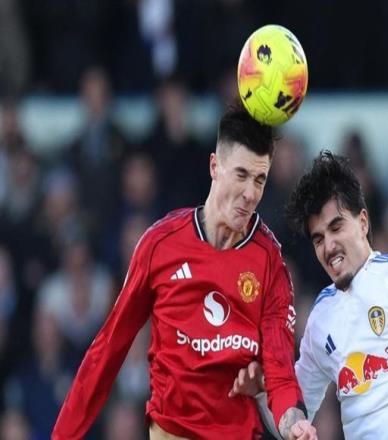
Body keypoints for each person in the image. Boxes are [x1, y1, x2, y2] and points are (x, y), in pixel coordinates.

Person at [52, 105, 317, 440]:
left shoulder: (270, 264)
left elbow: (280, 374)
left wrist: (295, 425)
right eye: (241, 175)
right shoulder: (161, 244)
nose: (251, 193)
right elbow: (109, 349)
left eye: (259, 179)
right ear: (214, 166)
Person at [231, 150, 388, 439]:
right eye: (319, 239)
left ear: (363, 222)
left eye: (336, 227)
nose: (329, 246)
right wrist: (261, 393)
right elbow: (295, 417)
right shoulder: (322, 317)